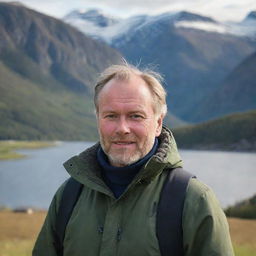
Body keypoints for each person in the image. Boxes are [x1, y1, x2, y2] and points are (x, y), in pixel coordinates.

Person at [33, 63, 234, 256]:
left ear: (158, 123)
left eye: (135, 116)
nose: (122, 128)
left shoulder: (194, 200)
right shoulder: (69, 195)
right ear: (98, 120)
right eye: (111, 116)